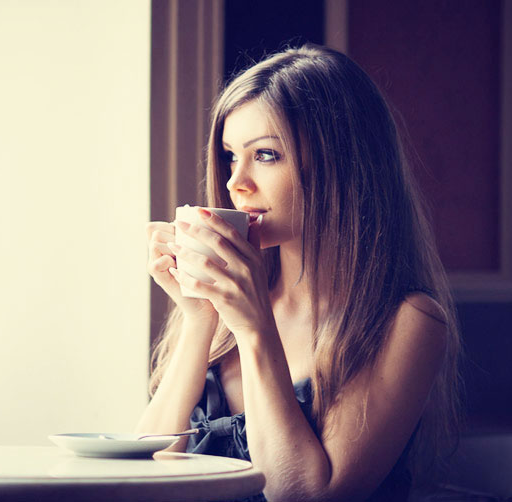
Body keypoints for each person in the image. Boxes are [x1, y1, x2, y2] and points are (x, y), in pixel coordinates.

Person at [138, 44, 461, 502]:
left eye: (265, 155)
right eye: (231, 155)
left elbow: (305, 495)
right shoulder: (223, 306)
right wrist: (198, 319)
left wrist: (254, 330)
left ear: (341, 166)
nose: (235, 182)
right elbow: (141, 473)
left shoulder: (409, 321)